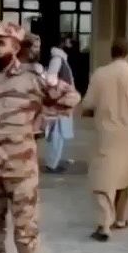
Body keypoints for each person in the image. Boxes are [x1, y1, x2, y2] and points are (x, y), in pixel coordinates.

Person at [0, 21, 80, 253]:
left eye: (1, 42)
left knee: (25, 229)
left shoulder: (33, 77)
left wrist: (43, 116)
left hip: (20, 168)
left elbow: (70, 97)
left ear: (16, 48)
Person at [81, 38, 128, 242]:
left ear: (111, 53)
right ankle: (121, 219)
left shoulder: (99, 74)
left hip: (106, 134)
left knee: (103, 179)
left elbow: (87, 104)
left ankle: (105, 223)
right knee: (127, 176)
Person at [43, 35, 76, 173]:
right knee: (57, 133)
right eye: (68, 41)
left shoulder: (61, 59)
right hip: (60, 101)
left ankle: (54, 161)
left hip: (62, 99)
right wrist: (61, 92)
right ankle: (52, 163)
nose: (70, 44)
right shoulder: (57, 59)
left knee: (59, 133)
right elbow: (51, 78)